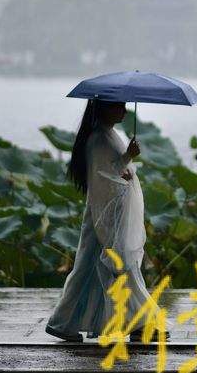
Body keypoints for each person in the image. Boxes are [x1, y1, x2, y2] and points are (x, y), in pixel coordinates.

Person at [45, 99, 165, 342]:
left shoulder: (108, 134)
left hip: (109, 216)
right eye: (117, 106)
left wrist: (126, 163)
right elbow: (102, 179)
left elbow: (113, 172)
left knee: (90, 270)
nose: (123, 110)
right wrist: (127, 158)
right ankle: (142, 324)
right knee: (116, 268)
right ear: (104, 108)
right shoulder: (99, 139)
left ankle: (64, 323)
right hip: (103, 217)